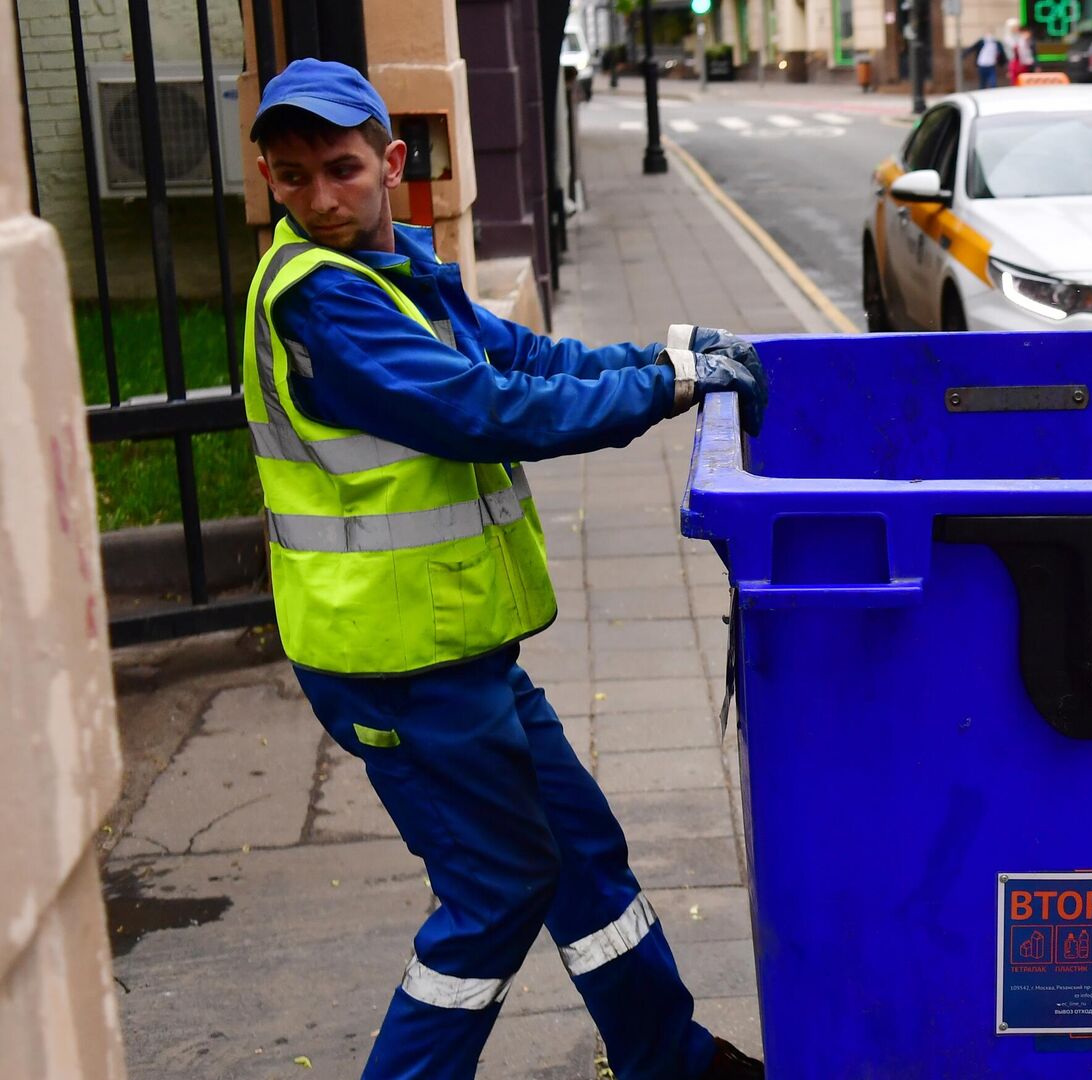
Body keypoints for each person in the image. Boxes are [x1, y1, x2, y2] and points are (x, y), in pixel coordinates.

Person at [243, 59, 767, 1080]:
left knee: (581, 853)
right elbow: (490, 412)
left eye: (341, 169)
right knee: (498, 888)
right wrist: (666, 389)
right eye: (293, 176)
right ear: (269, 176)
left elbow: (522, 361)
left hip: (457, 647)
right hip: (395, 660)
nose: (320, 198)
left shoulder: (399, 274)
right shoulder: (322, 305)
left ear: (390, 162)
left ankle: (669, 1060)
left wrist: (661, 356)